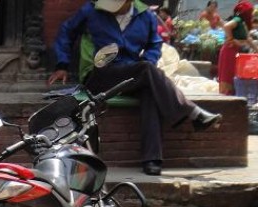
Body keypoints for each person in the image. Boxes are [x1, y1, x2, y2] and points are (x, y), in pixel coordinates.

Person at [48, 0, 223, 176]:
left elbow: (154, 45)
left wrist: (149, 60)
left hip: (133, 73)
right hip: (100, 74)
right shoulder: (92, 10)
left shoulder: (145, 15)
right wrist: (62, 64)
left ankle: (152, 159)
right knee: (146, 70)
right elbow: (66, 31)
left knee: (150, 90)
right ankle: (192, 112)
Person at [217, 2, 257, 95]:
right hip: (229, 51)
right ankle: (226, 98)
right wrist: (231, 39)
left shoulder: (242, 23)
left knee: (234, 74)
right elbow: (227, 26)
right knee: (227, 74)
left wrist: (256, 49)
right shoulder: (237, 19)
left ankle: (231, 96)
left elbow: (247, 39)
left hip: (235, 51)